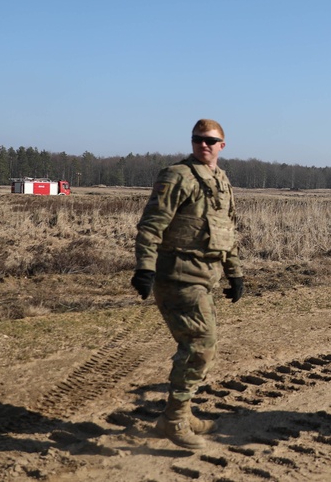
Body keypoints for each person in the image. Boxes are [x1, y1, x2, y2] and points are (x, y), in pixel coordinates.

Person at [130, 119, 244, 450]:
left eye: (210, 140)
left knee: (200, 345)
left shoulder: (220, 179)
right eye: (197, 140)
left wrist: (235, 273)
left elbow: (227, 230)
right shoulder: (177, 176)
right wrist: (145, 269)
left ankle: (182, 411)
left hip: (206, 276)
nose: (203, 145)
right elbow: (151, 226)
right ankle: (174, 419)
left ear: (222, 145)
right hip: (178, 275)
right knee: (199, 345)